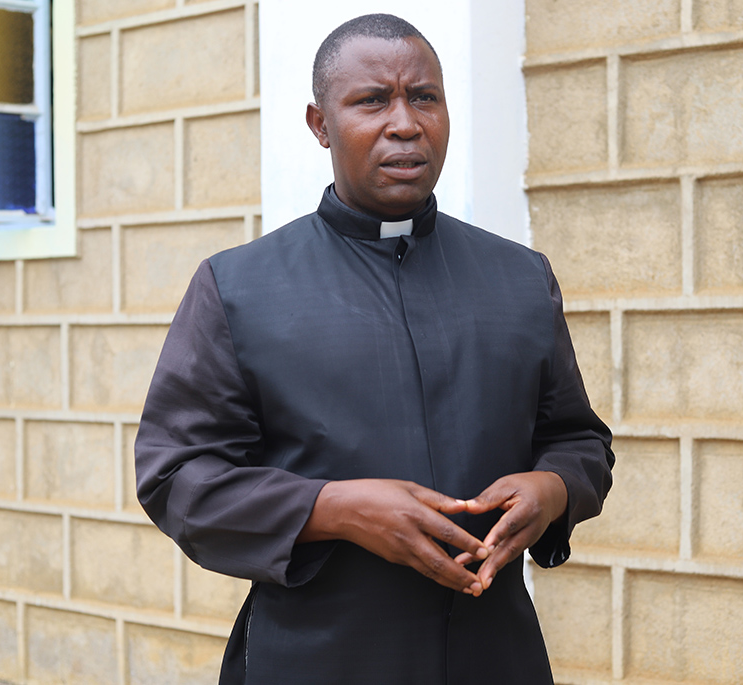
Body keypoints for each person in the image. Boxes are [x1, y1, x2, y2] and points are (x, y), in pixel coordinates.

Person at [135, 13, 614, 685]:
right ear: (320, 123)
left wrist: (554, 487)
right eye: (371, 101)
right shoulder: (238, 287)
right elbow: (178, 478)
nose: (405, 123)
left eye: (424, 97)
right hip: (315, 660)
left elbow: (580, 439)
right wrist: (336, 509)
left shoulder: (520, 279)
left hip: (494, 658)